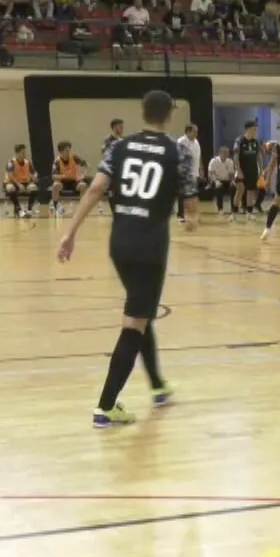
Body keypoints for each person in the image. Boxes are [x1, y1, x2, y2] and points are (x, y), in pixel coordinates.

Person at [55, 90, 191, 428]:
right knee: (135, 322)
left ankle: (158, 386)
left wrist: (69, 233)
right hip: (150, 245)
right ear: (169, 116)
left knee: (140, 310)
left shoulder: (119, 146)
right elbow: (191, 211)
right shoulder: (178, 151)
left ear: (143, 113)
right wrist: (190, 219)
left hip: (121, 242)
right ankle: (106, 406)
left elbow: (95, 189)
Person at [234, 119, 265, 219]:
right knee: (240, 190)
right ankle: (234, 213)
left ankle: (249, 212)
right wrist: (238, 170)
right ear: (248, 129)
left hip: (252, 170)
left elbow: (259, 156)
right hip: (241, 170)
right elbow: (235, 156)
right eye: (254, 129)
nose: (255, 131)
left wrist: (261, 169)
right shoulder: (239, 140)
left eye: (256, 129)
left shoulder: (256, 142)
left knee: (250, 191)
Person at [49, 142, 90, 215]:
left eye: (69, 150)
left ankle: (82, 209)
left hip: (74, 181)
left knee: (83, 185)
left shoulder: (74, 157)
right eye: (66, 151)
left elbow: (87, 165)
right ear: (61, 152)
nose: (68, 152)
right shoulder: (57, 161)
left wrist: (83, 175)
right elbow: (53, 176)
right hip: (63, 182)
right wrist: (64, 176)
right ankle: (56, 207)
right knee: (55, 185)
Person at [177, 123, 204, 227]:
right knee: (182, 195)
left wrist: (201, 169)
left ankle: (191, 215)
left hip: (195, 172)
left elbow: (199, 156)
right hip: (184, 173)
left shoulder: (196, 142)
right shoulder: (181, 142)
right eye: (194, 131)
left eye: (196, 131)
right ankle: (181, 216)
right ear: (188, 132)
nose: (196, 133)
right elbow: (179, 157)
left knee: (192, 194)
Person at [3, 144, 42, 218]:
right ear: (17, 153)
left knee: (33, 187)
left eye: (25, 152)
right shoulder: (11, 163)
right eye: (22, 153)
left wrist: (35, 176)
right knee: (10, 188)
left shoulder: (27, 162)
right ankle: (18, 209)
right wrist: (18, 184)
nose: (25, 154)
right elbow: (10, 175)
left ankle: (29, 209)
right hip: (12, 182)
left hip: (25, 183)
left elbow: (34, 172)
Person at [206, 146, 238, 218]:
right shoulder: (213, 161)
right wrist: (216, 181)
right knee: (219, 189)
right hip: (216, 180)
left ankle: (233, 209)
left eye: (227, 153)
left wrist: (232, 181)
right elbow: (210, 173)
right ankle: (220, 209)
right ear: (220, 153)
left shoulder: (230, 161)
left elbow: (231, 174)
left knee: (233, 188)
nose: (226, 154)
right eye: (224, 153)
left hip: (227, 181)